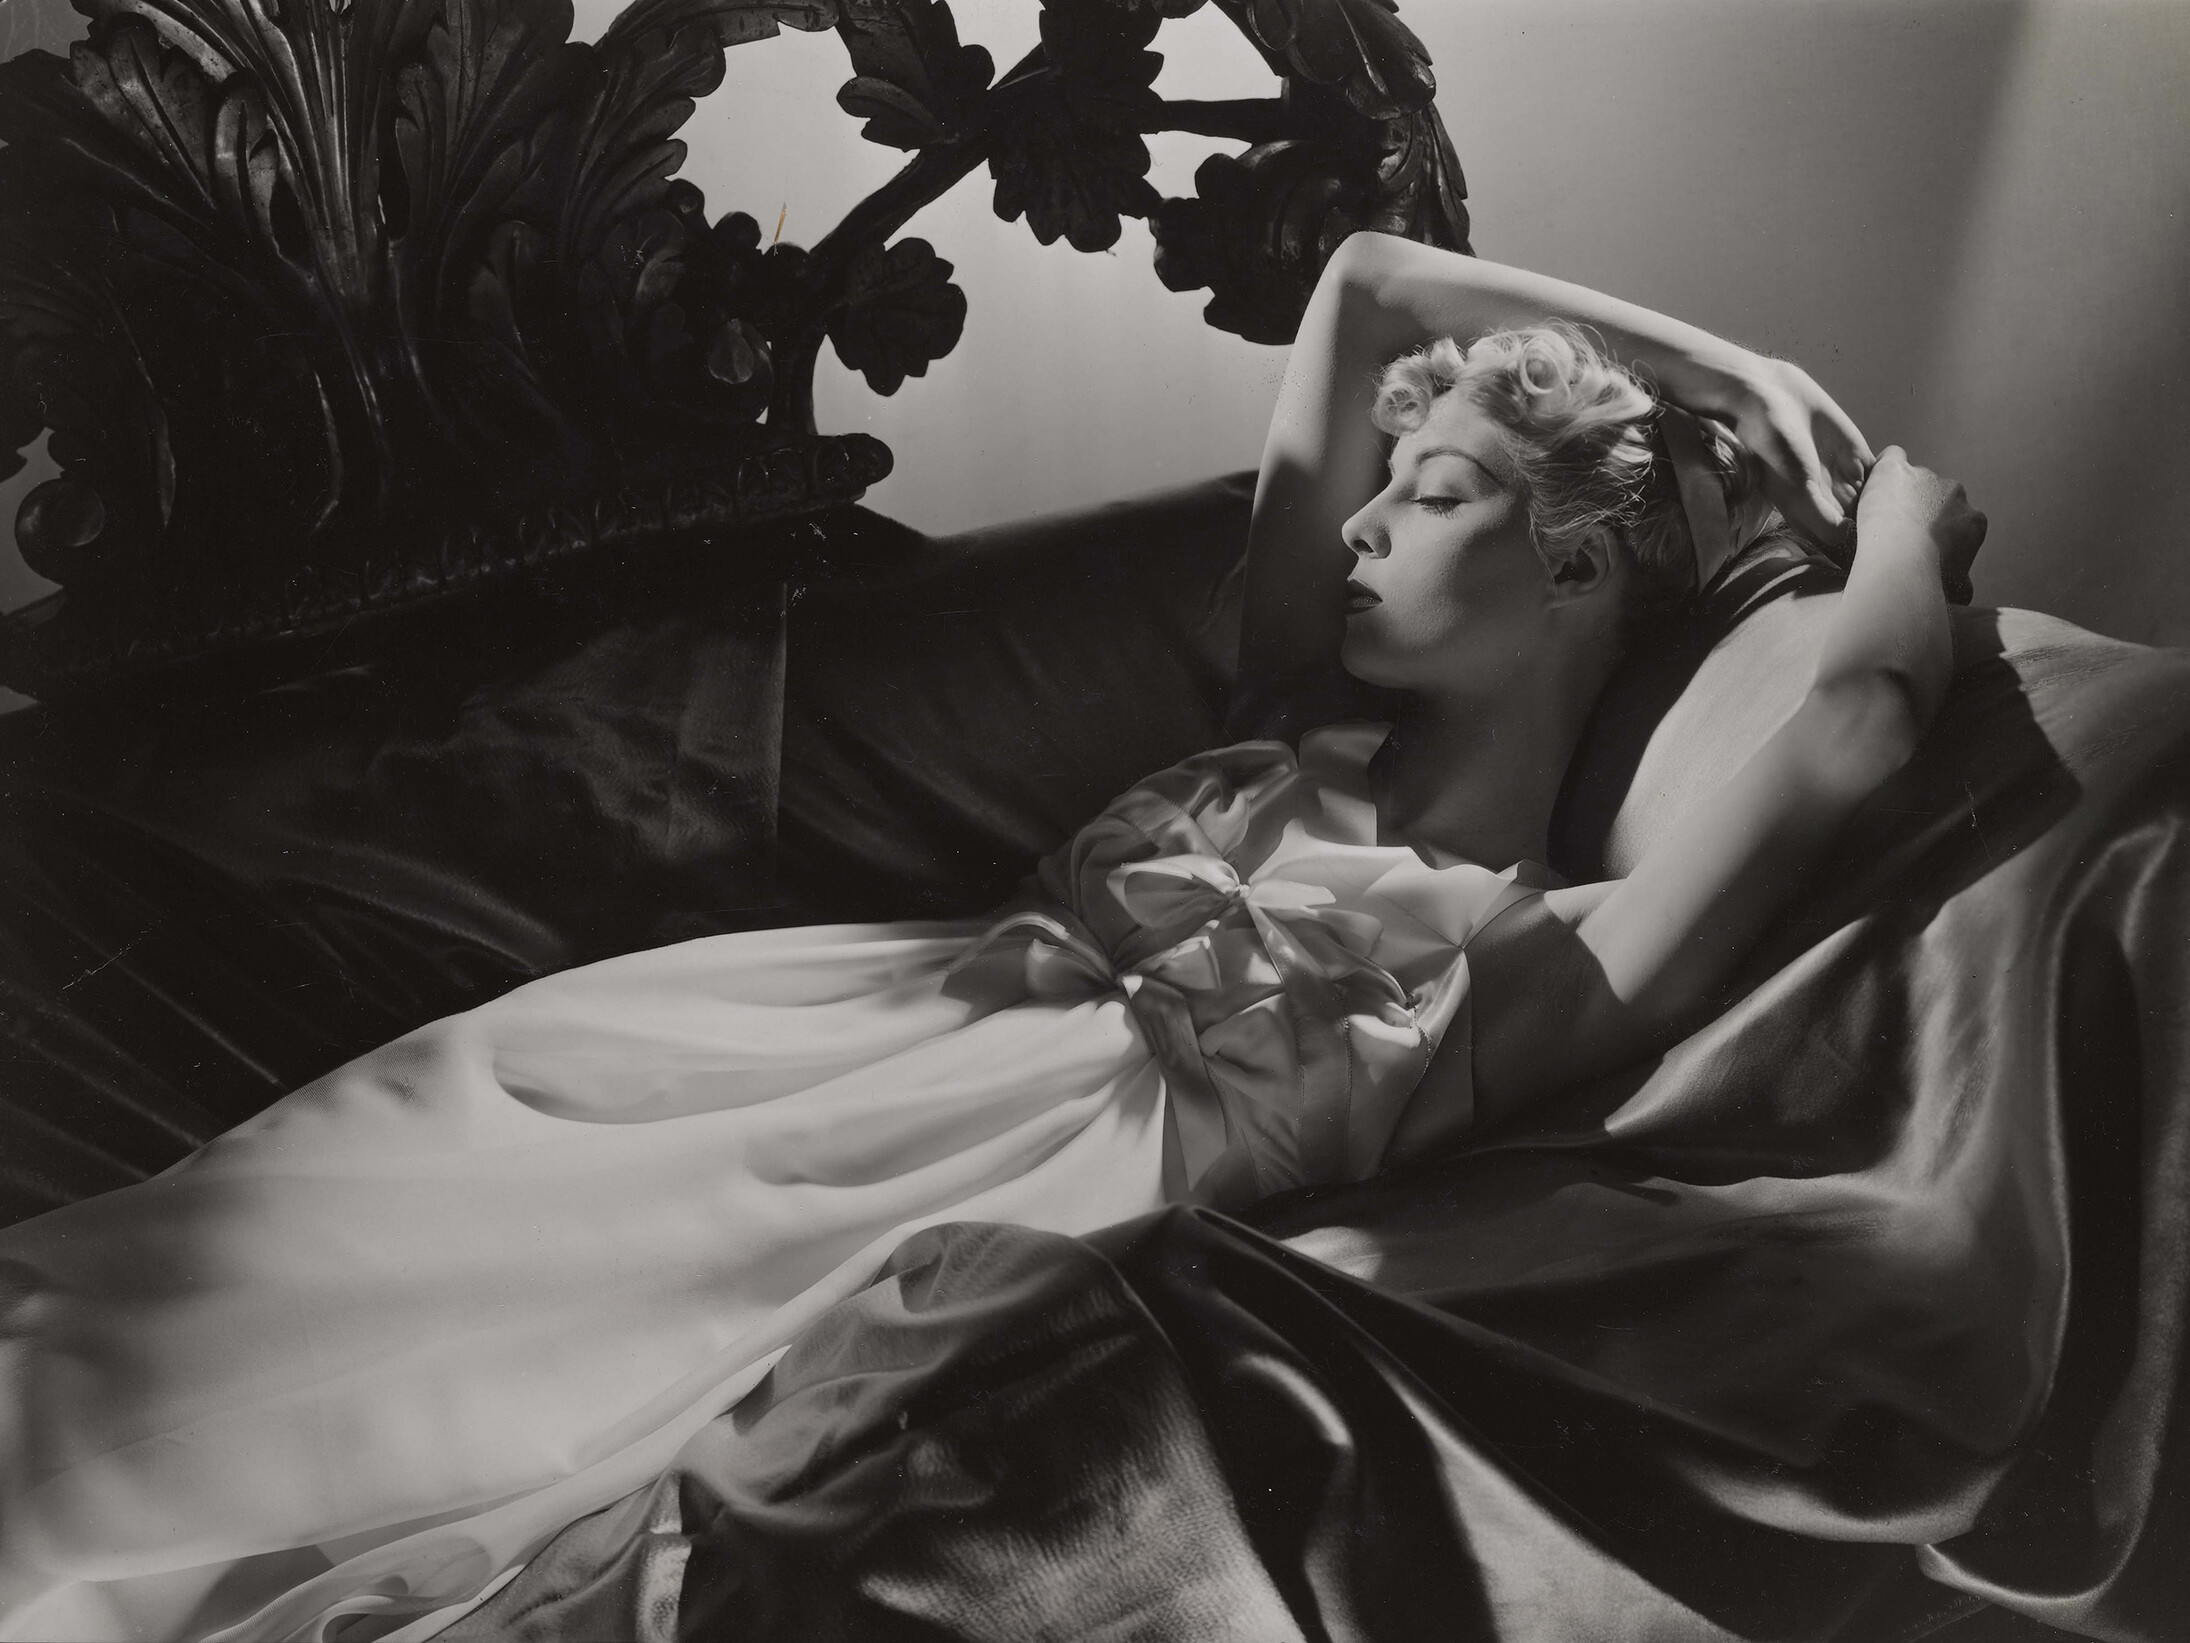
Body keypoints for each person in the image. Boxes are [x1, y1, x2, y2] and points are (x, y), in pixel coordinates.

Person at [0, 232, 1984, 1642]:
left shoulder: (1538, 961)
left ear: (1575, 563)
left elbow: (1862, 724)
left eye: (1438, 494)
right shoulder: (1297, 703)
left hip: (954, 1224)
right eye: (1382, 486)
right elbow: (1373, 280)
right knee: (194, 1307)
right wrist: (1737, 389)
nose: (1369, 525)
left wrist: (1894, 529)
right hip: (767, 1050)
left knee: (331, 1463)